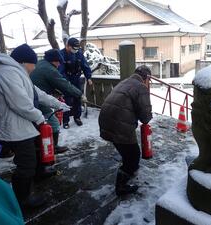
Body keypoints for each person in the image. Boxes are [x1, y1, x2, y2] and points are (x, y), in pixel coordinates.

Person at [0, 44, 70, 209]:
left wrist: (58, 104)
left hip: (22, 124)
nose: (34, 67)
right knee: (26, 163)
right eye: (33, 64)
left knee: (36, 150)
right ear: (25, 62)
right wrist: (40, 118)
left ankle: (39, 173)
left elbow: (37, 93)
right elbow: (20, 103)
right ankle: (22, 199)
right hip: (13, 129)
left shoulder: (17, 72)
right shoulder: (6, 72)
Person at [98, 65, 152, 196]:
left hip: (105, 121)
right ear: (146, 78)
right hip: (120, 125)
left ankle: (128, 167)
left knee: (126, 150)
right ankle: (121, 186)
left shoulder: (124, 82)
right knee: (133, 156)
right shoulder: (141, 87)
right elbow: (145, 117)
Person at [31, 49, 83, 154]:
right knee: (53, 123)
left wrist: (53, 91)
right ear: (53, 60)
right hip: (37, 99)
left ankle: (38, 145)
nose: (59, 64)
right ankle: (53, 147)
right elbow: (64, 84)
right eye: (58, 61)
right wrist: (80, 94)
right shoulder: (49, 69)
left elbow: (43, 83)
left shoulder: (41, 64)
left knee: (37, 124)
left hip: (32, 97)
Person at [59, 37, 92, 129]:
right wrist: (66, 82)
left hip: (76, 79)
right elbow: (60, 71)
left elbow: (85, 66)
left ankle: (77, 117)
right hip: (66, 80)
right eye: (74, 48)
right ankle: (66, 121)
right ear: (68, 46)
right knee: (67, 101)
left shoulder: (79, 54)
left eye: (77, 49)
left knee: (78, 98)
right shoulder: (61, 54)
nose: (75, 50)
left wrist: (88, 77)